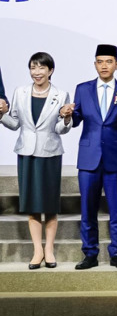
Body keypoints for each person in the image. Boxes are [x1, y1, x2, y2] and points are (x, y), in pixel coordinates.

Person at [0, 52, 72, 269]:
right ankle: (37, 250)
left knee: (50, 206)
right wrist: (1, 114)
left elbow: (60, 128)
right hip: (27, 153)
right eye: (33, 67)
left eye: (42, 68)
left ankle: (49, 250)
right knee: (32, 205)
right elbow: (14, 123)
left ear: (50, 71)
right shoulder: (20, 92)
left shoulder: (61, 94)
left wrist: (67, 117)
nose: (37, 72)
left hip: (50, 154)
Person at [71, 44, 117, 270]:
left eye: (109, 61)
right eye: (100, 61)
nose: (104, 66)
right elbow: (76, 118)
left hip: (115, 158)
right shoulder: (82, 89)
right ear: (95, 64)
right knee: (87, 208)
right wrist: (66, 115)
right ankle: (90, 253)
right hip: (89, 158)